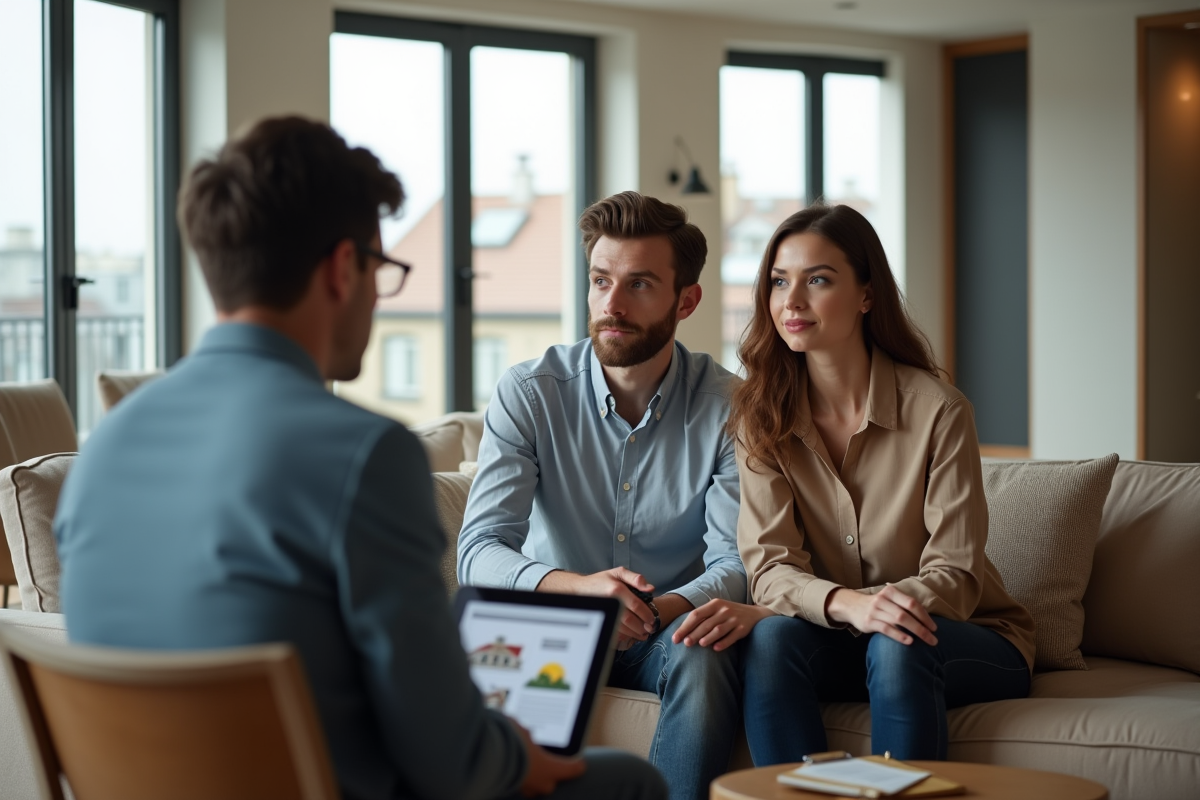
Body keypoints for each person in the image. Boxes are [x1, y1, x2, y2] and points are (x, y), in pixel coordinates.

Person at [54, 116, 666, 800]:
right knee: (632, 780)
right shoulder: (364, 454)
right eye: (382, 268)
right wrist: (512, 752)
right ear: (345, 268)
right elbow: (449, 755)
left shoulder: (104, 446)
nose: (379, 294)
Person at [458, 191, 770, 800]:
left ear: (687, 300)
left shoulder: (733, 408)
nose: (612, 305)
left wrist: (655, 609)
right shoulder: (529, 392)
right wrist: (586, 591)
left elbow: (735, 562)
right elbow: (479, 552)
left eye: (639, 285)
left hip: (668, 629)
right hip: (554, 625)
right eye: (601, 281)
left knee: (704, 659)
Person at [728, 204, 1035, 764]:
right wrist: (846, 607)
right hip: (842, 631)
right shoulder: (760, 418)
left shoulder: (940, 411)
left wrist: (866, 609)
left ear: (867, 294)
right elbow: (770, 570)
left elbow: (956, 576)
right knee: (770, 641)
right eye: (778, 281)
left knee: (897, 641)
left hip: (962, 638)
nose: (791, 301)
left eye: (817, 280)